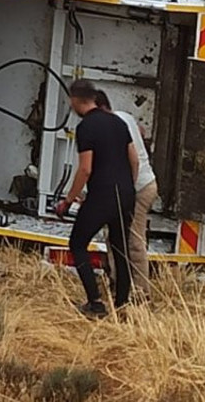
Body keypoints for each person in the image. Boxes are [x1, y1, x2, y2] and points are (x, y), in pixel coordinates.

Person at [53, 79, 138, 318]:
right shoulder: (118, 122)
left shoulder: (86, 127)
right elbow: (134, 160)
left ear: (75, 100)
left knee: (78, 244)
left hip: (101, 195)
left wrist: (68, 200)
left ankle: (95, 302)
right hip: (125, 195)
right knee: (121, 248)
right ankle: (122, 305)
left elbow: (85, 169)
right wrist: (128, 187)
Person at [95, 90, 157, 302]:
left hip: (138, 188)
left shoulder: (112, 126)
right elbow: (140, 132)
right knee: (115, 237)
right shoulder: (124, 117)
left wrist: (125, 191)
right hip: (141, 184)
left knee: (133, 241)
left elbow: (132, 161)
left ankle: (141, 293)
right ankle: (119, 286)